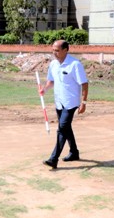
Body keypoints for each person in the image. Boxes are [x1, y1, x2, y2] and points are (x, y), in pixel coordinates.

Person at [38, 40, 89, 170]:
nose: (54, 53)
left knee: (62, 128)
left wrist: (83, 102)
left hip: (71, 102)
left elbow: (84, 83)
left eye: (57, 50)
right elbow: (51, 81)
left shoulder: (75, 64)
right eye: (53, 50)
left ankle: (53, 159)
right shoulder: (53, 64)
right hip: (59, 102)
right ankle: (74, 152)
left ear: (66, 50)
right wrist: (44, 89)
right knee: (66, 128)